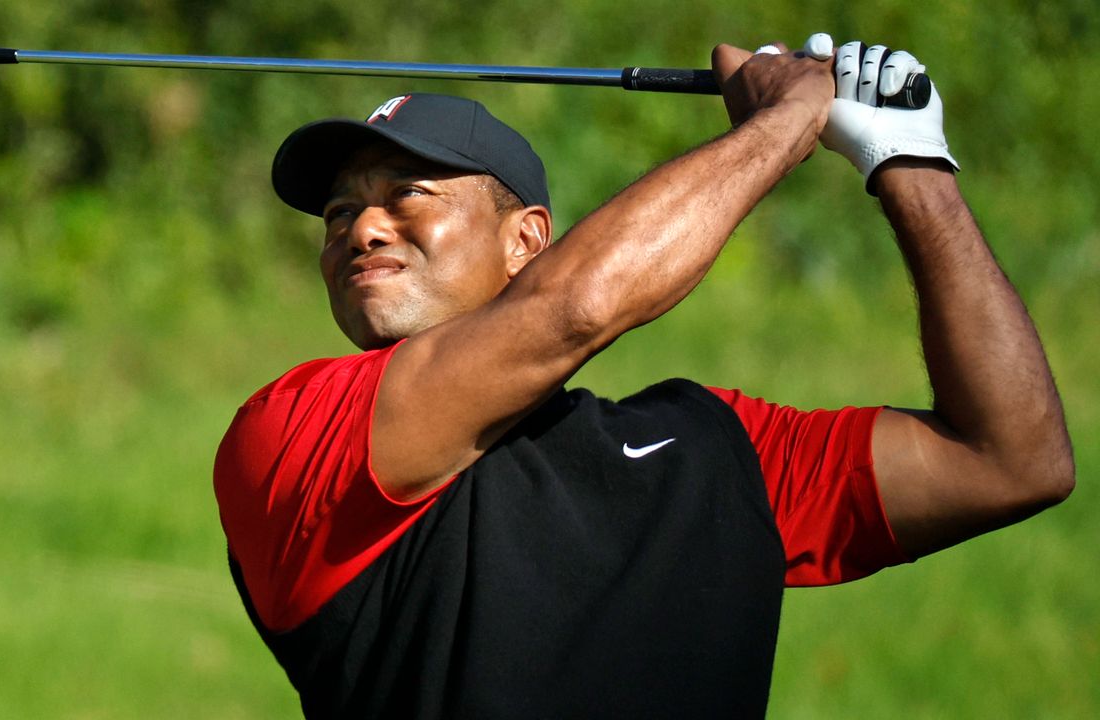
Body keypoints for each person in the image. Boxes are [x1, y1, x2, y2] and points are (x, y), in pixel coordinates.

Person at [214, 33, 1074, 718]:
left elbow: (1012, 459)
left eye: (409, 195)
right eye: (339, 213)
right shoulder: (292, 431)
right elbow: (575, 310)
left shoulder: (712, 448)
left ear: (526, 241)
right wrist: (783, 124)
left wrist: (909, 163)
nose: (361, 229)